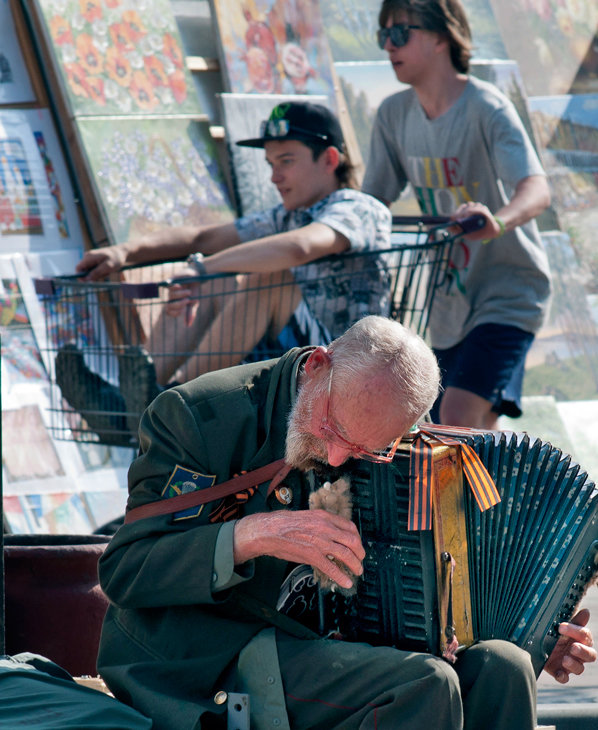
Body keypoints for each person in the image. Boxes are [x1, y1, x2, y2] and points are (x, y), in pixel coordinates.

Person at [95, 315, 595, 730]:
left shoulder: (398, 446)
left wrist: (533, 634)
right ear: (316, 367)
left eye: (362, 449)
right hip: (206, 653)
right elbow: (124, 569)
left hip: (330, 645)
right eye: (331, 429)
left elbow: (415, 590)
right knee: (425, 684)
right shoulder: (198, 416)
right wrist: (249, 537)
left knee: (505, 665)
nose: (336, 456)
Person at [362, 0, 552, 430]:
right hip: (448, 306)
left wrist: (497, 221)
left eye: (399, 34)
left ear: (440, 37)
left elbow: (537, 189)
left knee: (457, 415)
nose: (388, 47)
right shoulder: (393, 116)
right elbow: (372, 202)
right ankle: (504, 497)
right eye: (382, 36)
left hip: (510, 294)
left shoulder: (486, 107)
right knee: (456, 430)